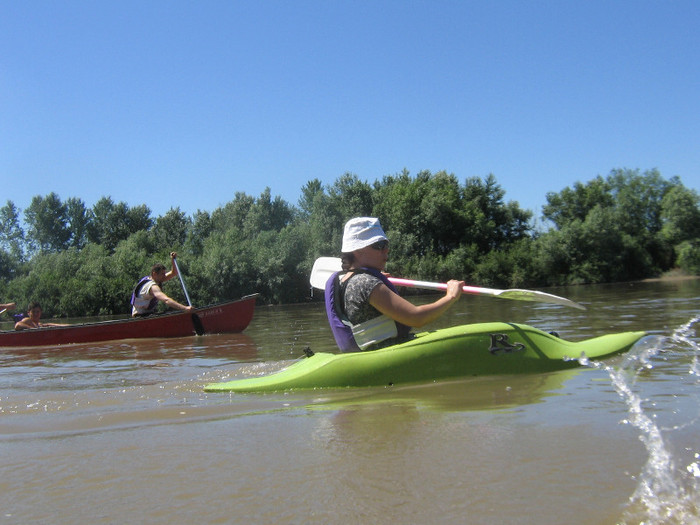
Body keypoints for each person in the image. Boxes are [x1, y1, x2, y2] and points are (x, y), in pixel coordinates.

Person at [325, 217, 465, 352]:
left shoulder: (347, 281)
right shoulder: (365, 283)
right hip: (386, 355)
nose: (386, 250)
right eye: (379, 246)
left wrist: (377, 281)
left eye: (386, 245)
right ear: (357, 250)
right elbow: (416, 318)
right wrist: (451, 296)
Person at [131, 252, 193, 317]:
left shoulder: (156, 279)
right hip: (140, 316)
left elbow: (174, 272)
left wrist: (173, 260)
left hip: (148, 314)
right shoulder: (152, 287)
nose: (164, 276)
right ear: (154, 274)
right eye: (162, 274)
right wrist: (185, 308)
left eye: (164, 274)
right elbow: (166, 300)